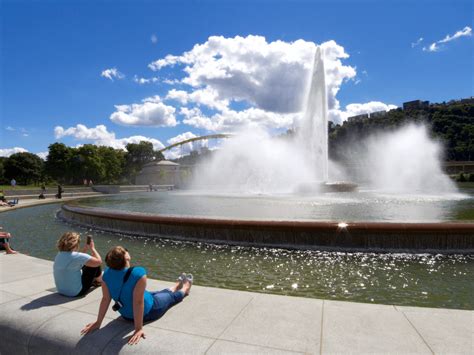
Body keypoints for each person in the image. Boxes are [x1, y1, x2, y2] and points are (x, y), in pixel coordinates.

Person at [81, 246, 192, 345]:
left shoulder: (107, 274)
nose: (127, 251)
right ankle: (185, 289)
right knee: (170, 298)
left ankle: (175, 286)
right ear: (126, 258)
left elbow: (106, 299)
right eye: (125, 251)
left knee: (156, 293)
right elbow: (138, 302)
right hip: (149, 311)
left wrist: (98, 322)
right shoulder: (138, 273)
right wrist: (138, 329)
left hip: (126, 314)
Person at [53, 232, 102, 297]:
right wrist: (93, 248)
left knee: (88, 262)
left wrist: (85, 249)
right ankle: (99, 281)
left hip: (61, 290)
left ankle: (97, 280)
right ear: (75, 244)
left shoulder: (59, 254)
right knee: (94, 265)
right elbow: (99, 261)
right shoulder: (76, 256)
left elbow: (77, 259)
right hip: (76, 292)